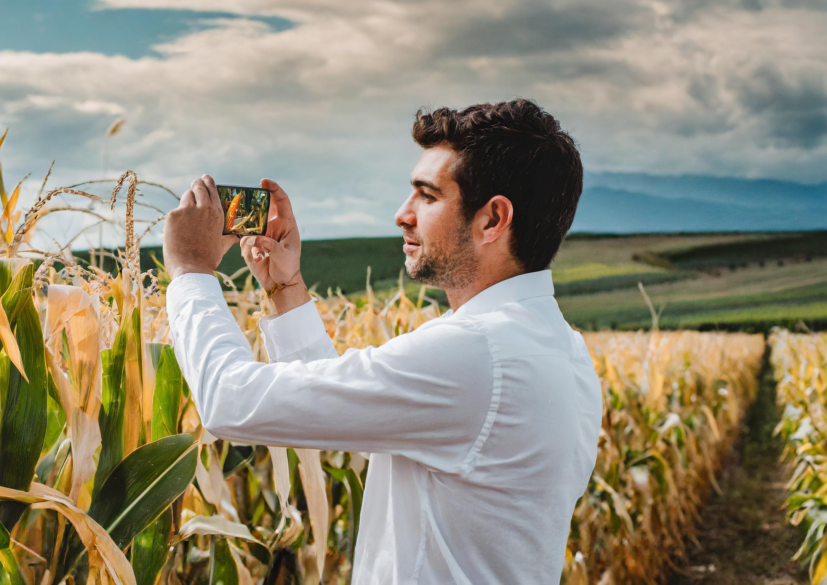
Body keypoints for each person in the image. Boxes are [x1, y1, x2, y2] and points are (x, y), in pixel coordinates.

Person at [161, 99, 603, 584]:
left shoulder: (475, 353)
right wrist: (285, 289)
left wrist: (191, 272)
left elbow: (230, 403)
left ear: (493, 219)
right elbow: (351, 411)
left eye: (427, 196)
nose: (401, 214)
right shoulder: (561, 350)